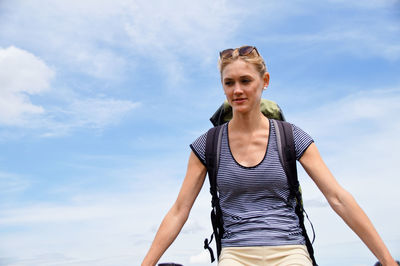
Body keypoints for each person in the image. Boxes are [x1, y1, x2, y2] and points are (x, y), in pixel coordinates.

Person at [141, 46, 397, 265]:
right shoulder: (207, 145)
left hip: (289, 251)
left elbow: (338, 197)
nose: (237, 90)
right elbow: (179, 211)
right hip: (235, 253)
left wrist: (386, 261)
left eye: (246, 80)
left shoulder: (291, 137)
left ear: (264, 81)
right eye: (229, 83)